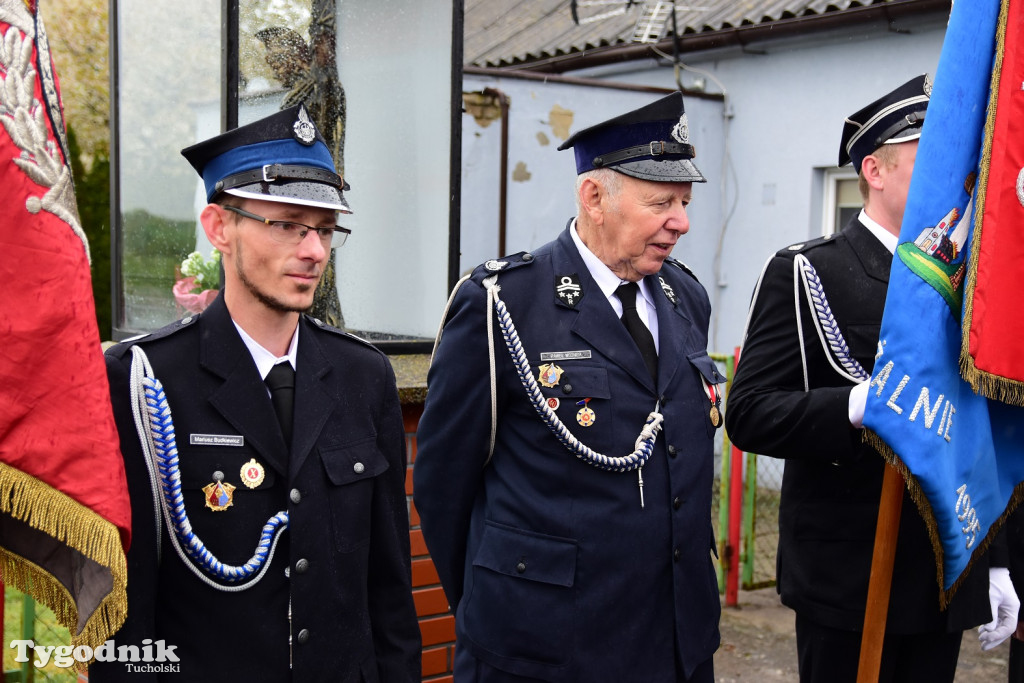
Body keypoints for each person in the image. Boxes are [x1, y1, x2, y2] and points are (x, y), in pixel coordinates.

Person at [92, 105, 421, 681]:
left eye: (323, 229)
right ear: (220, 228)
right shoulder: (143, 379)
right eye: (289, 224)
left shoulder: (362, 376)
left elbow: (388, 584)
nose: (315, 251)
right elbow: (125, 604)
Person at [414, 92, 725, 683]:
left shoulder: (687, 297)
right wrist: (499, 605)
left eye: (684, 202)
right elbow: (442, 487)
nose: (681, 221)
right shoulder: (503, 304)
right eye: (661, 201)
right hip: (546, 647)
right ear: (594, 197)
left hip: (676, 641)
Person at [725, 75, 1017, 683]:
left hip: (944, 568)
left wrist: (996, 561)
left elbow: (980, 434)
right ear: (874, 171)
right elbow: (749, 412)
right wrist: (853, 405)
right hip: (850, 573)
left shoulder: (968, 285)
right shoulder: (808, 271)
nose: (950, 173)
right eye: (927, 157)